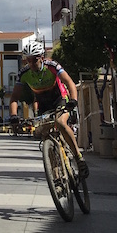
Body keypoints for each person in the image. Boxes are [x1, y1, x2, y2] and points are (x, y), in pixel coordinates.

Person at [8, 36, 87, 177]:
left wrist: (73, 100)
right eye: (28, 60)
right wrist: (13, 116)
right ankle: (56, 175)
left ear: (42, 58)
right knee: (45, 134)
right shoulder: (24, 74)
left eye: (34, 59)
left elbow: (69, 82)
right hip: (44, 104)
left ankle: (78, 156)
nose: (31, 63)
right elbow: (14, 98)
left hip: (59, 99)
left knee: (60, 122)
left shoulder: (52, 66)